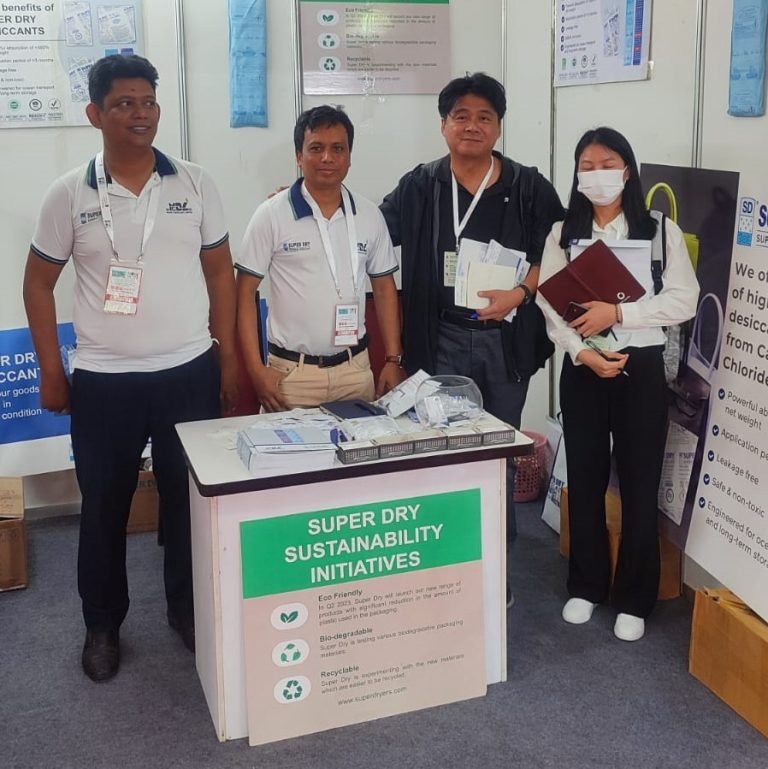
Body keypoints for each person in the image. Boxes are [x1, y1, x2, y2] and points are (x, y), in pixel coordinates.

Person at [23, 55, 238, 681]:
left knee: (189, 503)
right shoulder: (69, 193)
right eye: (123, 103)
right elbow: (37, 285)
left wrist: (225, 355)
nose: (139, 114)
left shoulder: (195, 182)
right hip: (104, 381)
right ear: (95, 114)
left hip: (187, 373)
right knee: (103, 509)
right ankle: (102, 625)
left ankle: (186, 610)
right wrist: (51, 370)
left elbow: (220, 273)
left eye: (147, 102)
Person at [380, 73, 564, 579]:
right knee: (440, 449)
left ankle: (497, 563)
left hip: (504, 342)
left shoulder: (527, 187)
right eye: (460, 116)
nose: (472, 126)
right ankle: (446, 564)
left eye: (484, 117)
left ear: (498, 127)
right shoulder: (420, 185)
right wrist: (317, 199)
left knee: (498, 451)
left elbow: (559, 253)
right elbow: (372, 233)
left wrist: (521, 293)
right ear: (443, 125)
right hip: (438, 337)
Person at [535, 127, 699, 641]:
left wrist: (620, 312)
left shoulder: (659, 230)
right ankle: (586, 586)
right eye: (587, 165)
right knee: (584, 478)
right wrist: (580, 350)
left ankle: (634, 597)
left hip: (641, 367)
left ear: (627, 171)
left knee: (639, 481)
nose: (597, 174)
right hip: (584, 367)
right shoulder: (563, 232)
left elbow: (684, 300)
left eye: (607, 164)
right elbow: (549, 302)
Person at [236, 105, 403, 411]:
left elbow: (384, 289)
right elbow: (244, 293)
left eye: (338, 149)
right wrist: (256, 370)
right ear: (298, 156)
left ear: (349, 157)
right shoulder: (271, 215)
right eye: (316, 148)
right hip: (293, 376)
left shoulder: (369, 215)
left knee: (361, 443)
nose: (327, 158)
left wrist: (393, 359)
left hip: (355, 372)